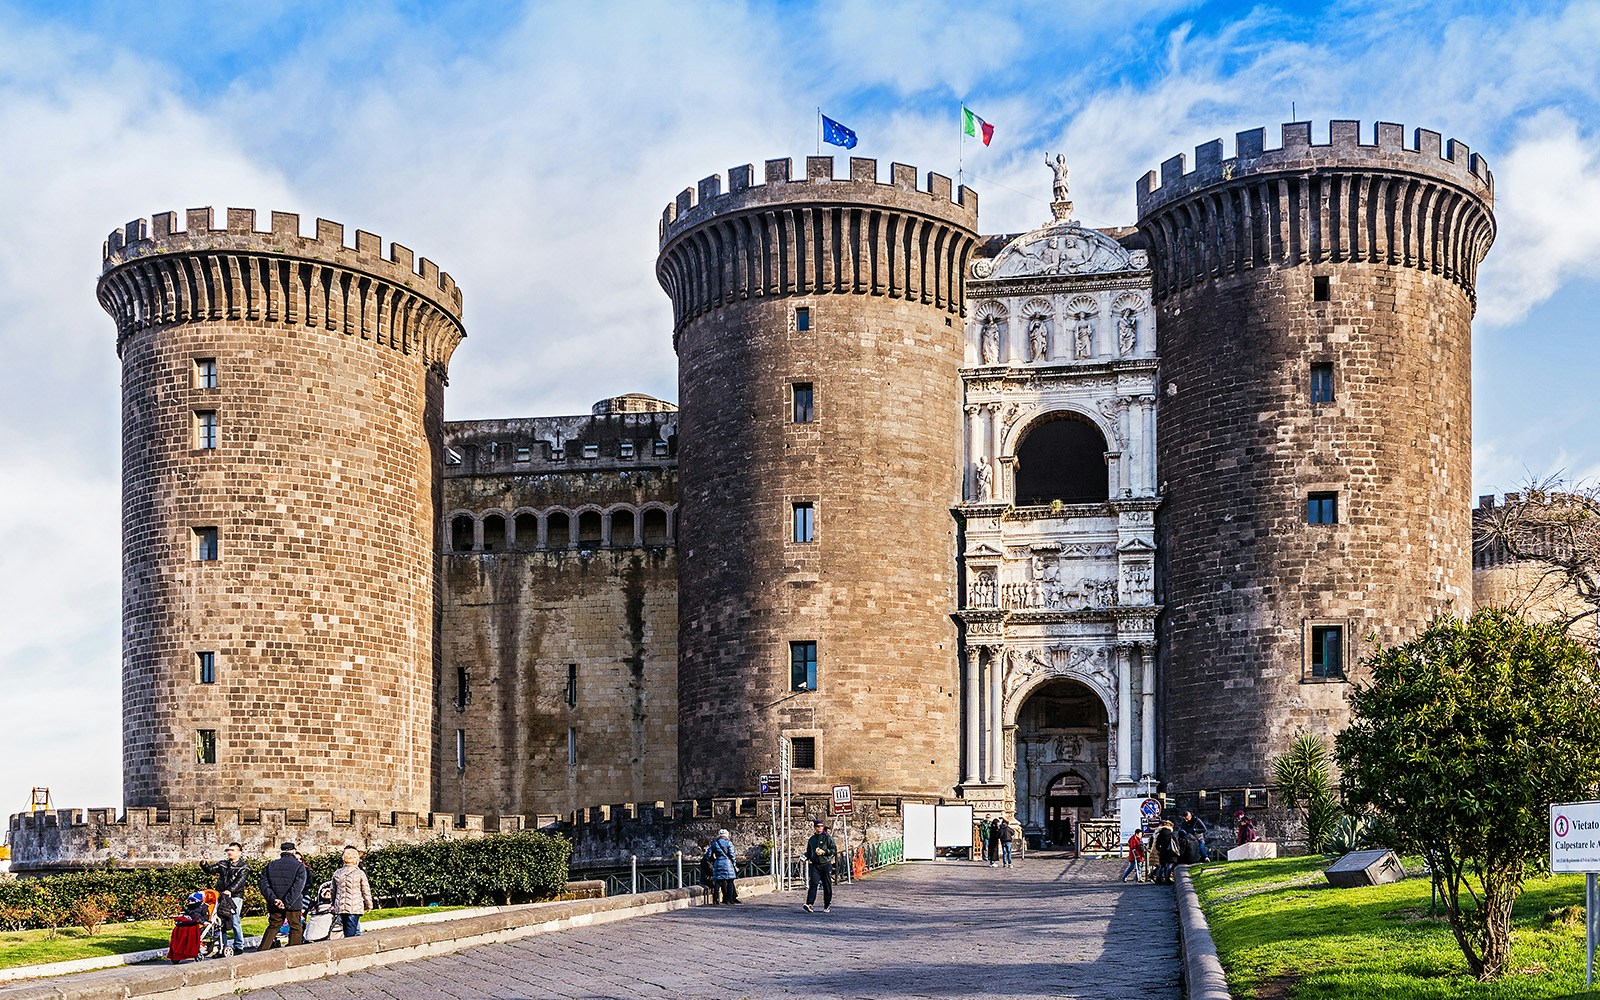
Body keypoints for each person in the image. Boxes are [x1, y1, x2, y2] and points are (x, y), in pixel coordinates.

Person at [200, 842, 249, 956]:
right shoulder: (223, 864)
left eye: (232, 850)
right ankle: (223, 946)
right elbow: (210, 870)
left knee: (234, 920)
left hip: (235, 896)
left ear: (239, 852)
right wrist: (204, 863)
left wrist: (230, 891)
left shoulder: (243, 867)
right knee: (219, 921)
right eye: (228, 850)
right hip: (221, 895)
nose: (229, 852)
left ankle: (239, 946)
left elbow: (240, 882)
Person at [257, 842, 308, 948]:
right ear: (293, 851)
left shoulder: (270, 865)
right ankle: (293, 953)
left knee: (273, 926)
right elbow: (297, 888)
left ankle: (262, 951)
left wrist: (274, 899)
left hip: (275, 903)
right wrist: (286, 902)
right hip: (293, 904)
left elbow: (263, 885)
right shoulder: (299, 867)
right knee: (295, 927)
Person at [332, 846, 373, 937]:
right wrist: (369, 904)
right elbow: (365, 890)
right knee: (351, 928)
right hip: (355, 905)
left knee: (346, 927)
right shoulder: (359, 873)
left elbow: (333, 891)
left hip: (341, 905)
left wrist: (333, 903)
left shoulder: (337, 873)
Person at [803, 818, 838, 913]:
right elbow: (809, 852)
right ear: (815, 827)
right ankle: (809, 904)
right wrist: (805, 856)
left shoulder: (827, 838)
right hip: (815, 865)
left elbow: (834, 850)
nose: (820, 828)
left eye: (821, 826)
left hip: (825, 864)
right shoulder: (812, 839)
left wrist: (824, 852)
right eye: (818, 826)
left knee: (827, 885)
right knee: (813, 883)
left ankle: (827, 904)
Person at [705, 829, 739, 905]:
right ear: (727, 835)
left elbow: (708, 855)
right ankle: (728, 900)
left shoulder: (715, 843)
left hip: (718, 863)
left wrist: (715, 860)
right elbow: (732, 855)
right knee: (730, 881)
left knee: (718, 882)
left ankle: (715, 900)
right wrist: (733, 862)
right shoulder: (729, 843)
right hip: (728, 864)